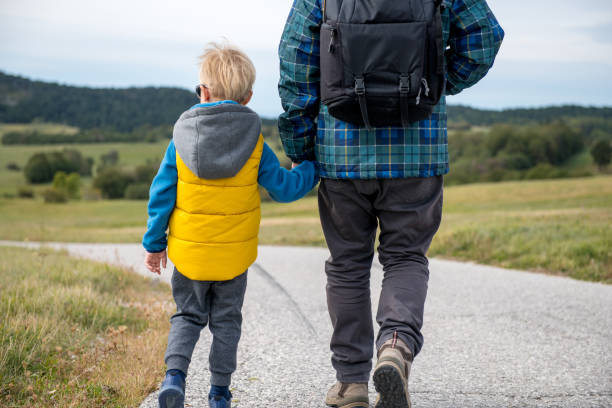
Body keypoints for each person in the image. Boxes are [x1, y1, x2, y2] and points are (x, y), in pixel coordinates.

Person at [278, 0, 504, 407]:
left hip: (341, 155)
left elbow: (297, 64)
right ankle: (396, 347)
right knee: (405, 258)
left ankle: (351, 384)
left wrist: (299, 144)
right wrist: (432, 83)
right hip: (417, 153)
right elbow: (484, 39)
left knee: (347, 265)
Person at [142, 42, 319, 408]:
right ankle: (219, 393)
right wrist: (310, 169)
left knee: (187, 316)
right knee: (226, 322)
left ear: (203, 91)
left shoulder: (180, 139)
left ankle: (174, 377)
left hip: (190, 257)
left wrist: (154, 244)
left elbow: (161, 195)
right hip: (233, 260)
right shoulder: (254, 142)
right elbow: (284, 190)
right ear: (249, 96)